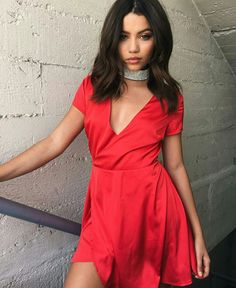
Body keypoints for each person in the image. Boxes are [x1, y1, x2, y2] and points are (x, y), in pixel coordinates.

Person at [0, 0, 211, 287]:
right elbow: (53, 143)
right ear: (112, 38)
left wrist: (197, 233)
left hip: (150, 211)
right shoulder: (92, 87)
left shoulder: (169, 98)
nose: (133, 48)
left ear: (158, 38)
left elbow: (175, 166)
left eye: (144, 36)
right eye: (124, 36)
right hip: (104, 214)